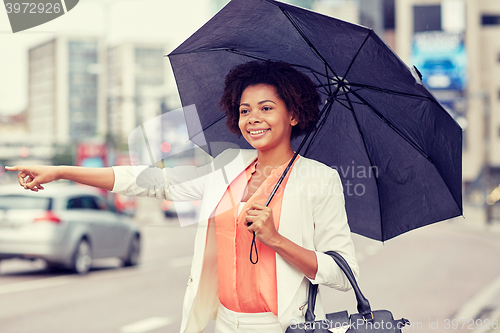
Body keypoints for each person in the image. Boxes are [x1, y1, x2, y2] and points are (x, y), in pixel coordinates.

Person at [6, 60, 359, 333]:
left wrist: (276, 239)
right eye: (244, 109)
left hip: (281, 325)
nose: (253, 118)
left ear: (294, 113)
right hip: (223, 321)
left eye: (267, 108)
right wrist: (61, 171)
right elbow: (152, 182)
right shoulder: (228, 165)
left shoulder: (319, 179)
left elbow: (343, 274)